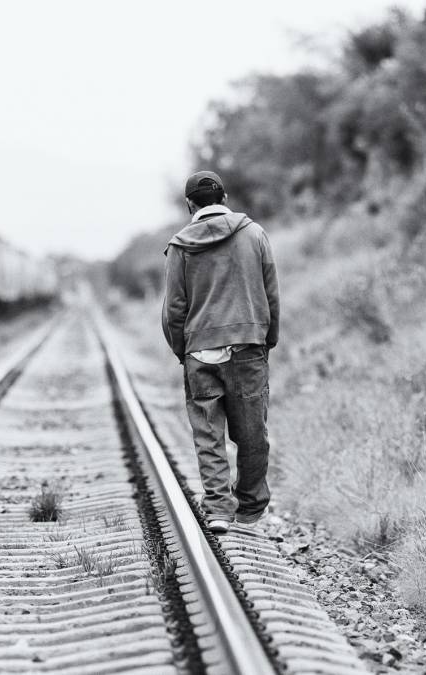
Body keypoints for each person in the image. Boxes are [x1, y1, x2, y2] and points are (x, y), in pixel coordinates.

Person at [161, 171, 280, 534]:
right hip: (248, 345)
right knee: (252, 432)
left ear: (189, 205)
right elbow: (270, 293)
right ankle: (249, 506)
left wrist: (185, 351)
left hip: (201, 352)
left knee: (208, 434)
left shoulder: (180, 247)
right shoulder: (255, 234)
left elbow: (174, 310)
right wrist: (267, 339)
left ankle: (217, 510)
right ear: (224, 199)